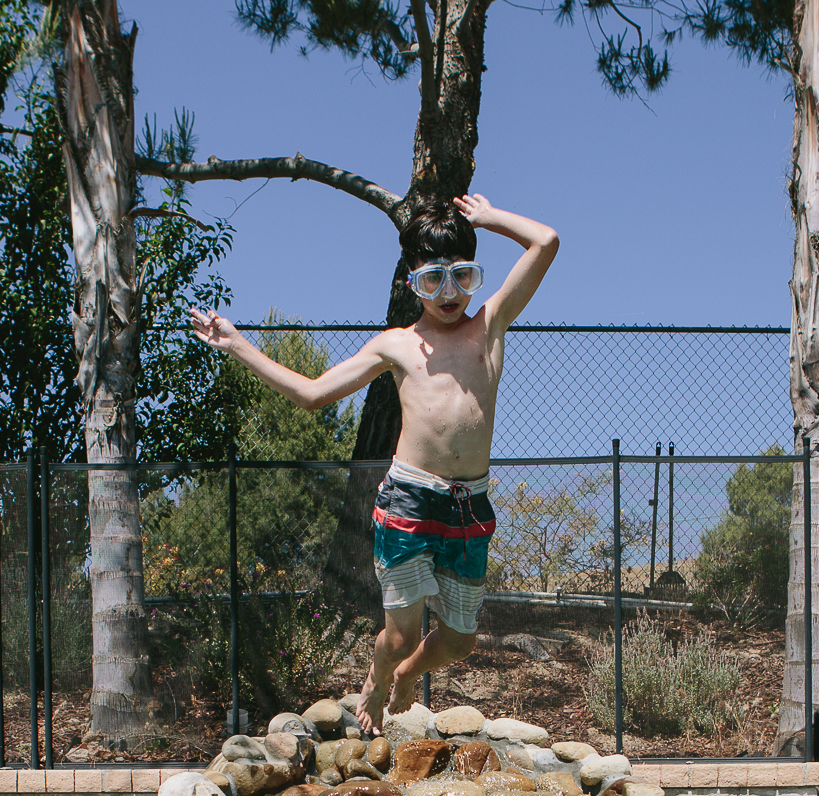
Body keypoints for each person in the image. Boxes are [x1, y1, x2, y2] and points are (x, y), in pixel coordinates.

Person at [189, 194, 560, 735]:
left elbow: (545, 241)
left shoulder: (491, 325)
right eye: (434, 280)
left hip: (469, 504)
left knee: (459, 642)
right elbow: (315, 394)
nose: (450, 294)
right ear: (413, 282)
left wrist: (487, 218)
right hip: (409, 498)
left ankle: (408, 672)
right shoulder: (398, 345)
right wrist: (241, 346)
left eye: (462, 277)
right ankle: (380, 675)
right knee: (401, 633)